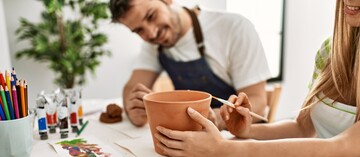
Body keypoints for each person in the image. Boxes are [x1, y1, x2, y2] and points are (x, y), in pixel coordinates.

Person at [153, 0, 360, 157]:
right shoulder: (330, 50)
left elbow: (341, 150)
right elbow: (302, 129)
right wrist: (247, 132)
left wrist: (222, 149)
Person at [109, 0, 271, 128]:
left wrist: (218, 119)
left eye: (151, 16)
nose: (151, 33)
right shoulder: (154, 45)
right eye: (139, 30)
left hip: (239, 136)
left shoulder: (234, 28)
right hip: (195, 135)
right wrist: (133, 111)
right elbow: (131, 87)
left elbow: (258, 102)